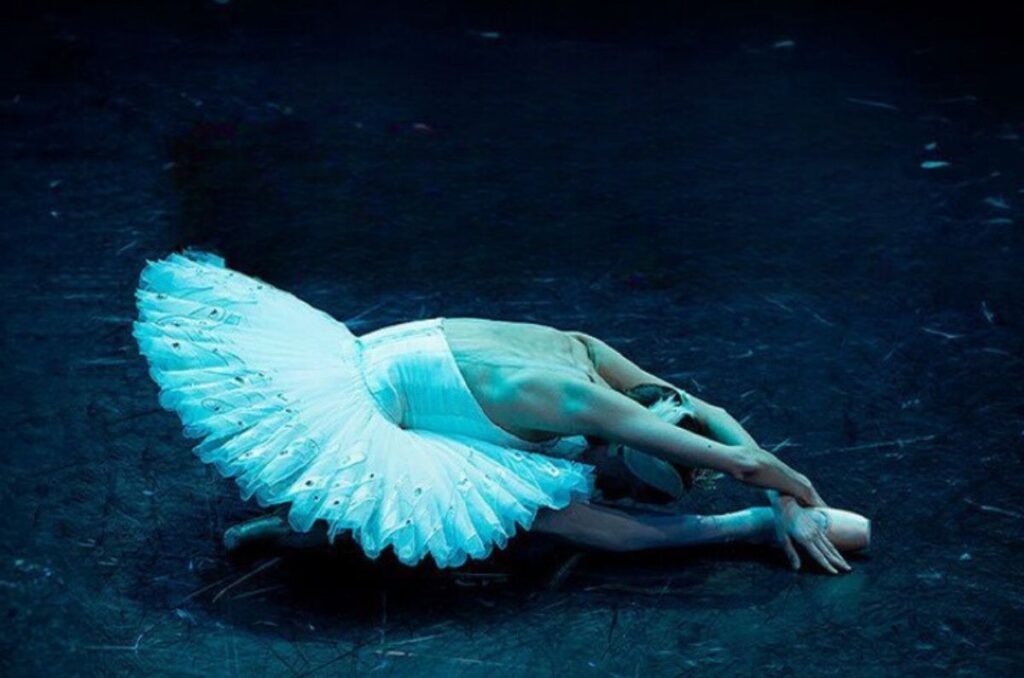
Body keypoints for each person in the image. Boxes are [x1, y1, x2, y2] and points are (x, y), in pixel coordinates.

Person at [133, 249, 869, 574]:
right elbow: (741, 460)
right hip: (373, 401)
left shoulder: (592, 356)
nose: (619, 484)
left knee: (531, 492)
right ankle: (741, 530)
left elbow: (711, 412)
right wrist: (796, 498)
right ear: (624, 444)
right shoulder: (583, 400)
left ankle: (302, 528)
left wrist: (786, 495)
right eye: (632, 477)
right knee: (564, 520)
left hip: (373, 354)